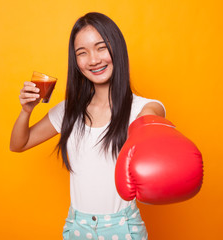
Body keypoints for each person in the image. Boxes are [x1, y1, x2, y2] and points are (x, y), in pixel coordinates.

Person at [10, 12, 165, 240]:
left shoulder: (143, 108)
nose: (93, 60)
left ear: (117, 49)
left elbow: (153, 121)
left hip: (123, 229)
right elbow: (18, 144)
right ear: (76, 62)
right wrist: (27, 110)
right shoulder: (68, 111)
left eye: (101, 47)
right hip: (77, 228)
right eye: (82, 53)